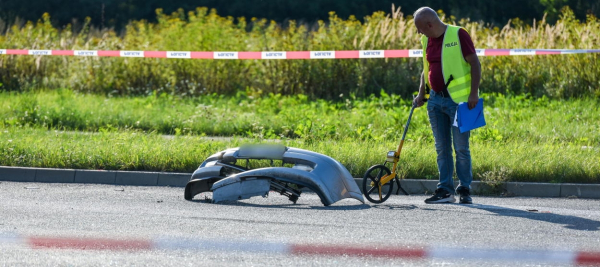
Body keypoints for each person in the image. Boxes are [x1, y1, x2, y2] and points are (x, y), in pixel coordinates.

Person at [412, 7, 481, 204]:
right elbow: (427, 69)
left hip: (460, 102)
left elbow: (475, 64)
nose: (419, 33)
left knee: (461, 148)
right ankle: (445, 190)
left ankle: (465, 189)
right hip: (434, 100)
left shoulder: (459, 34)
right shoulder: (426, 39)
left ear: (430, 25)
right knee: (442, 148)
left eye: (420, 28)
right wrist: (421, 93)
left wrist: (473, 93)